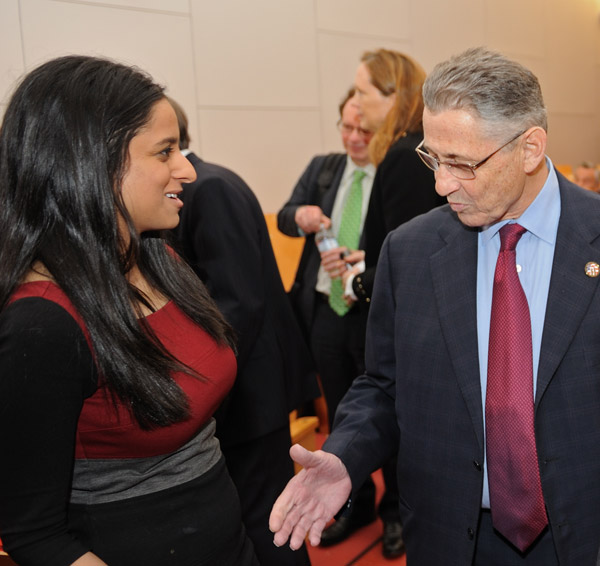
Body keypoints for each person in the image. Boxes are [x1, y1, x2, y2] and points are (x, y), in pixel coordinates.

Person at [270, 46, 600, 566]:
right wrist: (346, 457)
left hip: (582, 537)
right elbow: (384, 384)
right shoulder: (411, 251)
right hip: (452, 537)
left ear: (530, 148)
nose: (442, 184)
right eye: (433, 157)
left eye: (463, 163)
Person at [0, 55, 259, 566]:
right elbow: (36, 535)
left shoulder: (158, 258)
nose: (186, 168)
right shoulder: (43, 323)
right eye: (165, 151)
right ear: (92, 164)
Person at [168, 97, 317, 566]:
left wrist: (195, 385)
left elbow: (237, 305)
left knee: (269, 521)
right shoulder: (205, 184)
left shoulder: (207, 189)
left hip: (247, 391)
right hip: (241, 386)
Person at [277, 88, 387, 550]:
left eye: (364, 129)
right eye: (347, 126)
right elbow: (284, 217)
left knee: (389, 413)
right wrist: (299, 215)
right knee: (343, 414)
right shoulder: (324, 167)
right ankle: (354, 505)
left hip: (372, 312)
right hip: (325, 309)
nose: (354, 137)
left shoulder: (393, 173)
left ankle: (396, 510)